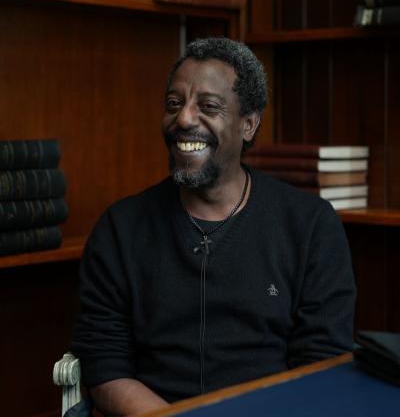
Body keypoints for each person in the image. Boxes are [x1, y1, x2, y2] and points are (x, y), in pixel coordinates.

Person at [71, 37, 356, 417]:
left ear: (248, 124)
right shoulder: (121, 228)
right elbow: (106, 367)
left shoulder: (310, 226)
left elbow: (321, 365)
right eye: (175, 104)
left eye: (208, 106)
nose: (184, 119)